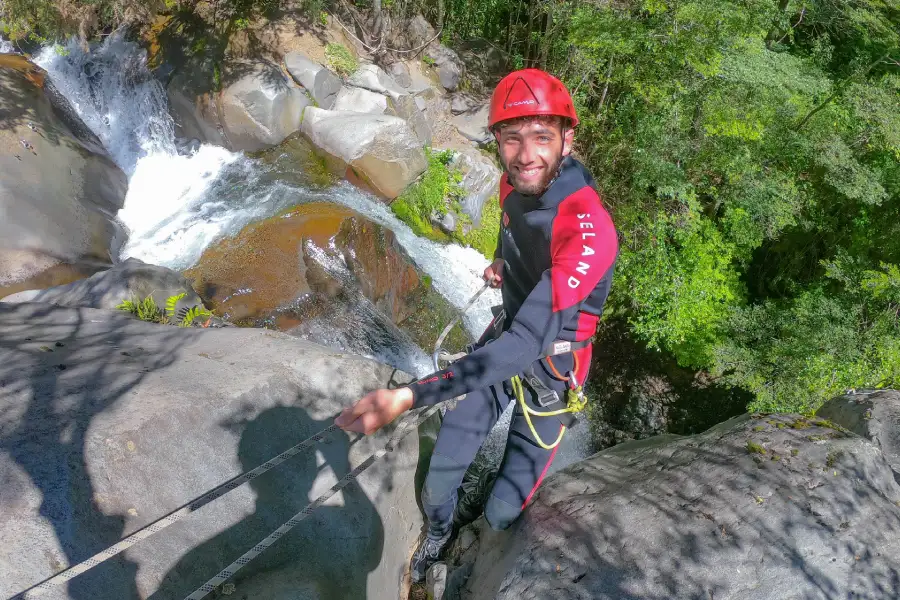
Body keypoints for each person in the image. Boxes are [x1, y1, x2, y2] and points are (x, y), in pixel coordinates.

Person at [335, 68, 618, 582]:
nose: (526, 154)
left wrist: (407, 396)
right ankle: (440, 534)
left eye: (541, 138)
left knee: (503, 514)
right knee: (439, 480)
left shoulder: (588, 229)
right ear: (497, 142)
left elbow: (529, 341)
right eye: (512, 139)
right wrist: (502, 263)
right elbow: (515, 231)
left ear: (567, 139)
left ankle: (477, 552)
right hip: (504, 346)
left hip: (549, 375)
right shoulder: (516, 183)